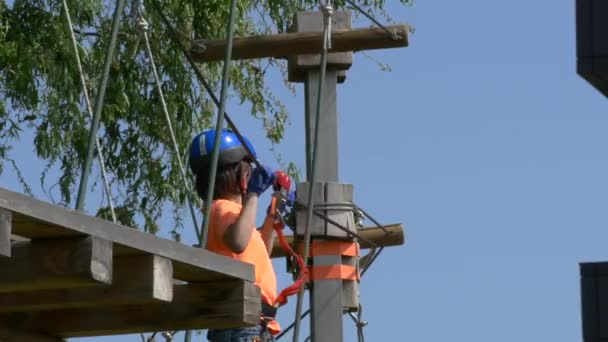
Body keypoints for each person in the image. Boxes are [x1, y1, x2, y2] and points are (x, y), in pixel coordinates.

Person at [189, 129, 281, 342]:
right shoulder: (221, 209)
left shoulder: (231, 215)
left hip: (251, 322)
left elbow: (261, 254)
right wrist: (253, 195)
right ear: (239, 177)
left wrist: (272, 217)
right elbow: (238, 242)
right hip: (242, 326)